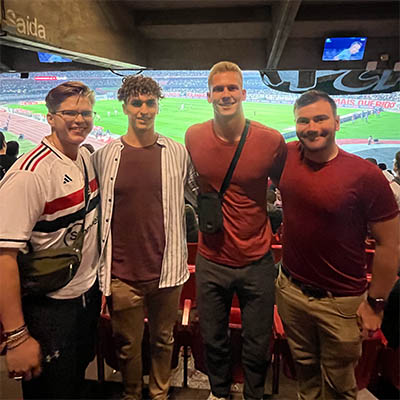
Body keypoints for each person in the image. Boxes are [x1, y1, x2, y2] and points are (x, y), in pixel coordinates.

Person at [276, 90, 399, 400]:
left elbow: (390, 244)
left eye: (320, 118)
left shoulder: (366, 175)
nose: (311, 127)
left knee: (340, 386)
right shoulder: (286, 157)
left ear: (337, 122)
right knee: (305, 374)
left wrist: (376, 304)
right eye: (303, 121)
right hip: (290, 290)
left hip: (341, 303)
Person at [185, 61, 287, 400]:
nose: (225, 94)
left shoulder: (271, 141)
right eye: (219, 88)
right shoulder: (193, 136)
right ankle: (219, 392)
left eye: (232, 88)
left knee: (258, 342)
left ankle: (254, 394)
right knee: (213, 337)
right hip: (211, 259)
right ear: (209, 95)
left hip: (256, 259)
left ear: (243, 93)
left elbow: (288, 187)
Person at [92, 75, 197, 400]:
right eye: (136, 103)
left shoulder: (177, 152)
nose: (144, 109)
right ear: (125, 107)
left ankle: (160, 392)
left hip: (168, 271)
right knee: (127, 343)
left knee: (164, 338)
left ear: (157, 106)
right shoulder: (104, 156)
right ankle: (132, 392)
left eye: (150, 102)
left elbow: (199, 193)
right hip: (122, 274)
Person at [0, 81, 101, 398]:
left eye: (86, 112)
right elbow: (3, 260)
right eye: (70, 112)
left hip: (86, 298)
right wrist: (17, 337)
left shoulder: (84, 158)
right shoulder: (28, 175)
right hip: (48, 310)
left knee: (73, 381)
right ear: (50, 117)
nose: (79, 119)